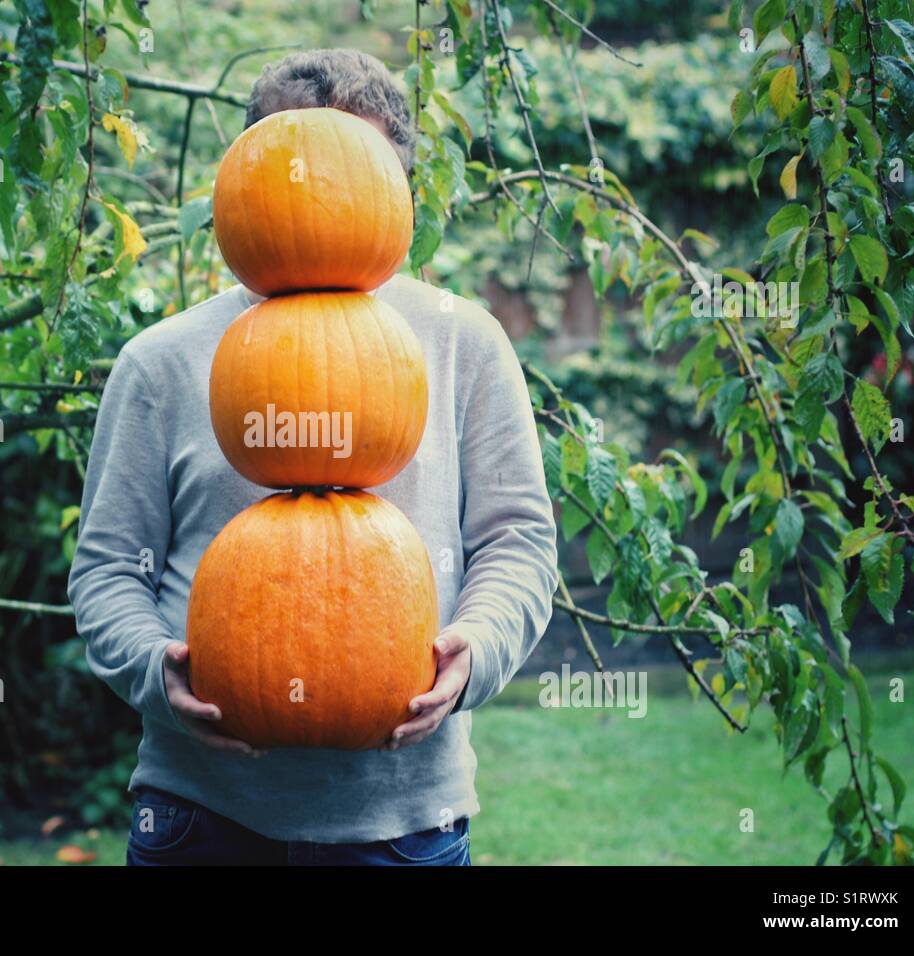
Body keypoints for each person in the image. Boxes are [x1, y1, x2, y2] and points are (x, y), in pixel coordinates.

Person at [67, 48, 558, 866]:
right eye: (303, 172)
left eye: (353, 172)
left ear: (394, 187)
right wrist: (161, 671)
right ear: (253, 179)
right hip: (202, 816)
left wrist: (476, 649)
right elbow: (108, 569)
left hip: (402, 822)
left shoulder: (460, 342)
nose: (327, 196)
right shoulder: (161, 360)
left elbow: (518, 542)